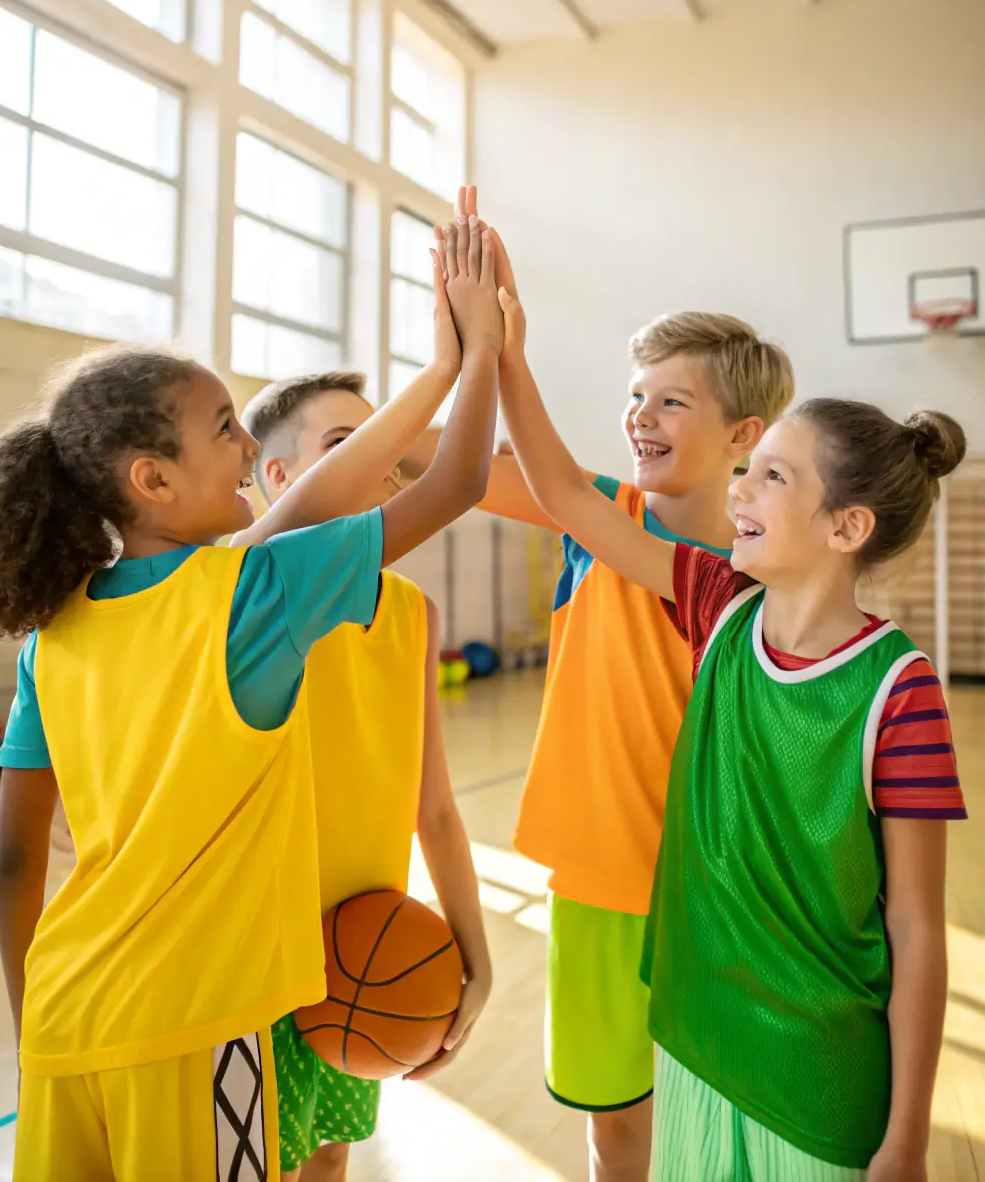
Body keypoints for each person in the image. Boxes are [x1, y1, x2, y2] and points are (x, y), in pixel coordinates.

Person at [0, 226, 504, 1182]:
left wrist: (30, 1021)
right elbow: (455, 480)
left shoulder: (59, 632)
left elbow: (13, 860)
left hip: (62, 1018)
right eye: (224, 428)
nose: (248, 444)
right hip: (198, 1028)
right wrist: (478, 353)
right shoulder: (254, 597)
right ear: (153, 478)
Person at [494, 277, 967, 1181]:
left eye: (771, 474)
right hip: (699, 1025)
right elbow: (558, 488)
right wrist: (500, 349)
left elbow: (915, 923)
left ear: (847, 525)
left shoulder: (896, 690)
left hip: (818, 1061)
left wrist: (906, 1138)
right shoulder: (715, 603)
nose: (741, 488)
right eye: (750, 472)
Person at [404, 189, 795, 1181]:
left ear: (744, 434)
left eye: (671, 400)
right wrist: (460, 341)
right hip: (594, 886)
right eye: (634, 395)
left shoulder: (748, 571)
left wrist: (503, 347)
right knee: (613, 1127)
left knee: (719, 1124)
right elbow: (432, 462)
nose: (639, 414)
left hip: (715, 893)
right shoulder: (601, 512)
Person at [243, 363, 492, 1182]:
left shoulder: (410, 610)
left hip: (361, 954)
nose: (384, 465)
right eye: (351, 443)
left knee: (329, 1155)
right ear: (277, 477)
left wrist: (474, 952)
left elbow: (438, 809)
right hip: (248, 962)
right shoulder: (237, 592)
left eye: (390, 451)